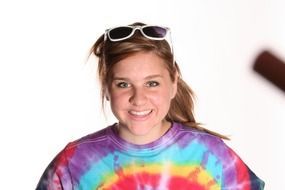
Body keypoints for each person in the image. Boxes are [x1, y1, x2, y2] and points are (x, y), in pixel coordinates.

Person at [36, 22, 265, 190]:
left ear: (174, 83)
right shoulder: (74, 160)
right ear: (106, 87)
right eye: (124, 84)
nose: (139, 98)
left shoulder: (211, 155)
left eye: (152, 83)